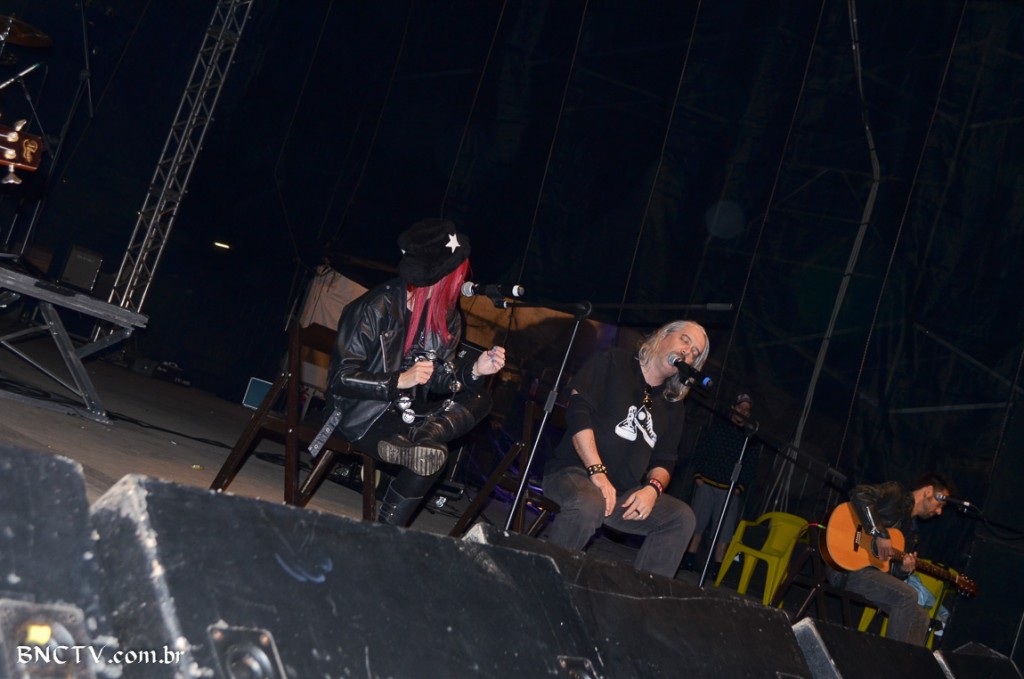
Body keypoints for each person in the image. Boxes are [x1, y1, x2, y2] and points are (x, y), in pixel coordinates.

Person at [323, 218, 506, 526]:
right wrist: (399, 380)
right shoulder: (377, 306)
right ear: (442, 274)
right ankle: (388, 528)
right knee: (431, 458)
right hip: (361, 413)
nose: (462, 279)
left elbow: (439, 379)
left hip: (408, 415)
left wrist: (474, 370)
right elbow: (340, 378)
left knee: (479, 399)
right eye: (459, 272)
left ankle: (422, 438)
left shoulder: (447, 318)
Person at [541, 320, 708, 578]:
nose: (688, 352)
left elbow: (665, 460)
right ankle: (545, 579)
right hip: (574, 474)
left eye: (695, 352)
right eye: (684, 340)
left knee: (682, 518)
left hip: (622, 495)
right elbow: (578, 411)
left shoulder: (673, 406)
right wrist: (597, 472)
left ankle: (641, 596)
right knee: (589, 501)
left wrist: (652, 489)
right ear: (663, 335)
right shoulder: (613, 361)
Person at [826, 473, 955, 646]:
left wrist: (903, 570)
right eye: (940, 504)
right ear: (928, 491)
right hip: (846, 568)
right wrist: (879, 533)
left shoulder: (912, 536)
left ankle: (905, 660)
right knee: (908, 595)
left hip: (869, 576)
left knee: (920, 616)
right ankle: (894, 658)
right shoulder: (897, 494)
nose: (939, 512)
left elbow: (888, 571)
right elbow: (860, 493)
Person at [681, 392, 760, 575]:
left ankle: (718, 567)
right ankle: (689, 558)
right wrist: (698, 476)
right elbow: (702, 450)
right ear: (733, 408)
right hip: (707, 483)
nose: (743, 412)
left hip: (729, 490)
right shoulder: (718, 427)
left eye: (747, 410)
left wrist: (739, 487)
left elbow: (751, 466)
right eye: (740, 407)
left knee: (724, 530)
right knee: (698, 522)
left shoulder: (749, 438)